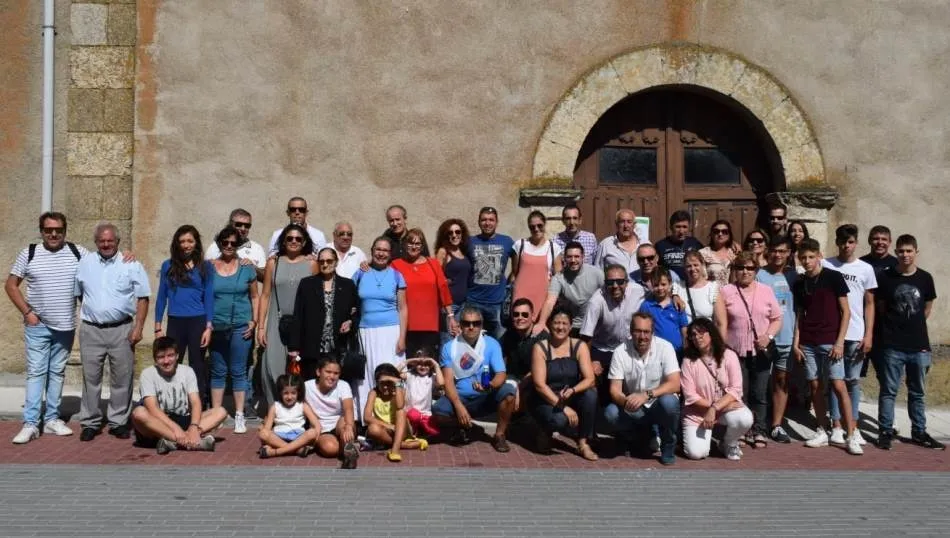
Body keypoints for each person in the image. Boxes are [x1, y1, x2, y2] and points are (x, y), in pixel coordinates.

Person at [74, 223, 150, 442]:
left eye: (110, 240)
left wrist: (138, 327)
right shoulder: (85, 263)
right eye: (101, 240)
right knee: (90, 378)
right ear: (96, 241)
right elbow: (79, 294)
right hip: (91, 330)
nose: (106, 244)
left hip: (121, 329)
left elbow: (143, 297)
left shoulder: (131, 264)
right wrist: (95, 312)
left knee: (122, 378)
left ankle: (118, 422)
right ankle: (90, 422)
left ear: (117, 241)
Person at [792, 238, 861, 455]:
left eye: (811, 257)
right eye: (803, 258)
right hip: (808, 342)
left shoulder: (833, 277)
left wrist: (840, 342)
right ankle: (822, 429)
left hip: (831, 341)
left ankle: (851, 435)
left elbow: (846, 311)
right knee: (814, 387)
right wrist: (796, 343)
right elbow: (799, 315)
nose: (807, 261)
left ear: (819, 255)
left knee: (839, 386)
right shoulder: (800, 283)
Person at [875, 235, 943, 450]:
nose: (905, 255)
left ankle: (919, 431)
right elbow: (881, 307)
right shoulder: (886, 278)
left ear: (916, 252)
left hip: (919, 345)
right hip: (893, 344)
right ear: (896, 252)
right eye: (901, 251)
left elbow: (927, 307)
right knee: (889, 390)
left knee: (917, 392)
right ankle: (885, 431)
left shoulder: (925, 278)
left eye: (909, 251)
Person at [714, 251, 782, 448]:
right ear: (735, 270)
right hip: (734, 352)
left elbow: (777, 318)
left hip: (760, 351)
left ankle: (759, 430)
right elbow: (719, 321)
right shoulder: (726, 291)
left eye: (750, 268)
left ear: (756, 270)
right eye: (741, 267)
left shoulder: (766, 290)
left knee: (759, 393)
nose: (745, 271)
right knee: (738, 393)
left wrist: (768, 337)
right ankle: (741, 430)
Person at [433, 306, 517, 452]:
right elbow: (448, 381)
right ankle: (469, 426)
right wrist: (458, 406)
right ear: (460, 325)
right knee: (438, 412)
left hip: (485, 397)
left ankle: (499, 435)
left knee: (509, 394)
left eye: (476, 323)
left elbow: (501, 374)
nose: (471, 327)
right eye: (466, 323)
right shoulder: (449, 347)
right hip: (460, 398)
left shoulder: (491, 344)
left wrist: (490, 385)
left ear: (481, 324)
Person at [822, 225, 876, 447]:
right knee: (836, 382)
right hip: (833, 334)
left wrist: (869, 333)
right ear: (837, 242)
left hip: (856, 334)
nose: (846, 246)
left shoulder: (865, 269)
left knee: (852, 382)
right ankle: (836, 425)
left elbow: (870, 303)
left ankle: (852, 425)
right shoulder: (827, 265)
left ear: (856, 243)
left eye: (851, 241)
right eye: (843, 242)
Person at [604, 312, 681, 465]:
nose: (642, 336)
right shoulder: (620, 351)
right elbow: (614, 390)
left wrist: (647, 395)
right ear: (631, 332)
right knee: (611, 413)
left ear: (652, 333)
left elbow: (675, 384)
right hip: (635, 408)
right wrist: (626, 401)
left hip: (658, 405)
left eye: (646, 332)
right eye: (638, 331)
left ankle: (668, 445)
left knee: (670, 403)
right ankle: (633, 437)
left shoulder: (665, 347)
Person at [130, 336, 227, 455]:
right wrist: (176, 429)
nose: (166, 361)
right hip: (158, 423)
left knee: (220, 412)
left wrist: (194, 426)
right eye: (161, 357)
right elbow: (152, 408)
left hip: (183, 419)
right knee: (138, 413)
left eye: (170, 355)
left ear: (177, 356)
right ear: (155, 359)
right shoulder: (147, 374)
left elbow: (195, 402)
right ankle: (190, 442)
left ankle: (172, 442)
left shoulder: (187, 371)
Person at [257, 224, 318, 407]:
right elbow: (265, 295)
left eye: (298, 239)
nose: (294, 242)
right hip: (277, 321)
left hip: (302, 323)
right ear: (283, 241)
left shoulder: (312, 264)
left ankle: (297, 410)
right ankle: (275, 409)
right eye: (289, 238)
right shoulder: (273, 263)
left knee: (298, 368)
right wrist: (261, 327)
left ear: (304, 242)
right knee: (271, 366)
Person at [154, 225, 214, 407]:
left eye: (190, 241)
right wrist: (157, 326)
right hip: (175, 321)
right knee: (172, 361)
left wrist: (209, 327)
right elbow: (161, 297)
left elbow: (209, 297)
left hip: (198, 321)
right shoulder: (168, 266)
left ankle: (199, 404)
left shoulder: (206, 267)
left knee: (197, 364)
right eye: (182, 241)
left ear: (196, 243)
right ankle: (170, 401)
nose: (186, 245)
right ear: (177, 244)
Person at [208, 225, 259, 434]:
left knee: (239, 371)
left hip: (241, 326)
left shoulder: (247, 268)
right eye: (225, 242)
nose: (229, 246)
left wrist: (254, 322)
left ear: (238, 245)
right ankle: (216, 414)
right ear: (219, 243)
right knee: (218, 371)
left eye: (233, 243)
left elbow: (255, 297)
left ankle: (239, 415)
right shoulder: (209, 268)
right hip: (216, 326)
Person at [350, 236, 408, 422]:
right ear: (372, 250)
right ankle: (366, 421)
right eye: (378, 249)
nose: (381, 253)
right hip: (365, 332)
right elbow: (349, 301)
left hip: (391, 332)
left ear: (390, 254)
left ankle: (393, 420)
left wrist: (402, 337)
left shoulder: (397, 276)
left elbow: (403, 308)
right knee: (366, 377)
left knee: (390, 375)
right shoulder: (360, 273)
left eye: (385, 250)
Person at [530, 309, 598, 461]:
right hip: (546, 398)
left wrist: (574, 390)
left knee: (591, 394)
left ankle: (583, 442)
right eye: (556, 323)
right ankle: (543, 431)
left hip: (570, 394)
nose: (560, 327)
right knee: (559, 420)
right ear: (549, 325)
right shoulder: (540, 347)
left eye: (564, 323)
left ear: (570, 326)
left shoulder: (579, 346)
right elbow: (539, 385)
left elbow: (590, 379)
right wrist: (563, 407)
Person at [680, 318, 753, 461]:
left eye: (701, 332)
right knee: (696, 454)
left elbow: (736, 389)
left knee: (745, 418)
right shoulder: (688, 361)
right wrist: (712, 408)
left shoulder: (729, 356)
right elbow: (690, 395)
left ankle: (728, 443)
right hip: (698, 413)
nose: (697, 337)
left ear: (711, 333)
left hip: (724, 408)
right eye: (693, 335)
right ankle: (705, 439)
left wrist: (715, 408)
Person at [287, 247, 359, 381]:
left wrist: (350, 322)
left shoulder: (348, 285)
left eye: (329, 261)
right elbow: (298, 315)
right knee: (311, 385)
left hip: (337, 348)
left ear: (336, 262)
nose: (325, 264)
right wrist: (294, 346)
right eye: (321, 261)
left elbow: (356, 312)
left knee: (335, 386)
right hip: (312, 347)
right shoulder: (307, 284)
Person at [755, 237, 799, 443]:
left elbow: (800, 309)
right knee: (760, 383)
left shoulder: (794, 276)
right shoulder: (760, 275)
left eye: (782, 251)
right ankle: (757, 425)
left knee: (781, 382)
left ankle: (776, 425)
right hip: (765, 339)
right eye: (774, 250)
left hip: (787, 337)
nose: (778, 255)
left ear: (789, 252)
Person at [580, 264, 645, 402]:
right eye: (610, 282)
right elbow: (586, 335)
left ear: (627, 282)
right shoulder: (596, 301)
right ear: (605, 283)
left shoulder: (638, 291)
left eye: (620, 281)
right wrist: (591, 361)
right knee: (601, 391)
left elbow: (658, 295)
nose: (615, 286)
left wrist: (675, 295)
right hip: (603, 348)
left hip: (628, 347)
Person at [392, 228, 457, 354]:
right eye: (410, 243)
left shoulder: (433, 264)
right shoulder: (396, 265)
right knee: (408, 363)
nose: (413, 247)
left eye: (417, 244)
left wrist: (451, 317)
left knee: (428, 363)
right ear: (405, 244)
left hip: (430, 324)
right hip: (405, 325)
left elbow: (443, 290)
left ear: (422, 246)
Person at [465, 206, 515, 339]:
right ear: (479, 222)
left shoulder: (507, 242)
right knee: (471, 340)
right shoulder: (469, 242)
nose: (487, 223)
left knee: (499, 341)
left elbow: (517, 268)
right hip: (473, 301)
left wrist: (508, 285)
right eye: (484, 220)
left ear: (497, 222)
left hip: (497, 302)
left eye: (491, 220)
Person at [364, 363, 429, 462]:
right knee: (372, 429)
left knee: (401, 412)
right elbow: (367, 417)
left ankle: (395, 450)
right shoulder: (373, 393)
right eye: (382, 383)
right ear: (377, 383)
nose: (385, 387)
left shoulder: (398, 390)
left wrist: (397, 382)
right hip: (386, 430)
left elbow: (400, 406)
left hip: (401, 430)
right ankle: (405, 445)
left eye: (389, 383)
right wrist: (388, 426)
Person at [535, 242, 603, 335]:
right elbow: (550, 301)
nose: (573, 260)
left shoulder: (596, 273)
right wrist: (541, 322)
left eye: (577, 256)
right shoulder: (559, 277)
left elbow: (608, 296)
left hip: (593, 324)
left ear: (583, 257)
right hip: (570, 326)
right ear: (564, 258)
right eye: (569, 257)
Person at [304, 357, 360, 468]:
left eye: (336, 373)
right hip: (321, 428)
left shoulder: (343, 385)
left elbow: (348, 408)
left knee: (346, 425)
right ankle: (349, 447)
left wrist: (349, 426)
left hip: (339, 423)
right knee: (330, 449)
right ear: (318, 372)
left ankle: (349, 456)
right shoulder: (306, 386)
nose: (332, 376)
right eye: (328, 372)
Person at [512, 211, 563, 324]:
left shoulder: (553, 248)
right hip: (520, 296)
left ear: (545, 225)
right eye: (532, 227)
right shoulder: (520, 245)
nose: (536, 229)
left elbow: (558, 277)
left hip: (543, 297)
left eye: (539, 225)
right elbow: (515, 272)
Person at [500, 298, 549, 409]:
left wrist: (520, 387)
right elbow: (499, 356)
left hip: (535, 380)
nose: (520, 318)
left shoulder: (542, 337)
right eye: (516, 314)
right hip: (513, 378)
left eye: (525, 315)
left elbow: (542, 369)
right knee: (507, 392)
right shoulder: (509, 334)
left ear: (532, 317)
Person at [257, 374, 320, 458]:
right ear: (280, 393)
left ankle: (275, 452)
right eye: (285, 393)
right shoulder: (275, 406)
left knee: (312, 432)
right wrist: (263, 430)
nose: (289, 397)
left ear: (298, 392)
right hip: (279, 437)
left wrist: (316, 436)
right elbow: (268, 428)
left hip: (299, 437)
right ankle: (296, 450)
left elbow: (316, 424)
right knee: (263, 433)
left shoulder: (302, 405)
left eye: (293, 393)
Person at [434, 218, 472, 341]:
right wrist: (445, 281)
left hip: (463, 304)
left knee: (459, 341)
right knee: (448, 341)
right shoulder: (443, 252)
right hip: (449, 306)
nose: (454, 235)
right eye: (450, 233)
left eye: (457, 232)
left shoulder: (463, 251)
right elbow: (436, 277)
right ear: (445, 236)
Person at [638, 268, 689, 357]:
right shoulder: (646, 306)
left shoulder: (677, 305)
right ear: (651, 285)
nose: (660, 288)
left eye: (663, 284)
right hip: (656, 354)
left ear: (670, 284)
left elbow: (684, 329)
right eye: (656, 285)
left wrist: (686, 351)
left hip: (678, 352)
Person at [204, 208, 267, 280]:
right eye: (239, 224)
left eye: (247, 226)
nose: (243, 228)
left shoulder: (257, 248)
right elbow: (205, 275)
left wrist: (253, 267)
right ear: (230, 224)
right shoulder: (215, 247)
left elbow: (266, 277)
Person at [400, 348, 444, 438]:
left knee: (435, 433)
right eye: (419, 364)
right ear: (415, 364)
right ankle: (415, 429)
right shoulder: (410, 375)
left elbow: (441, 383)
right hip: (410, 413)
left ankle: (421, 428)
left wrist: (435, 364)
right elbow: (394, 373)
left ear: (431, 365)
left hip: (425, 414)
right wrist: (408, 361)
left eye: (427, 364)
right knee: (413, 416)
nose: (423, 367)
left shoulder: (431, 377)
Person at [654, 210, 703, 280]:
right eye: (678, 227)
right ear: (671, 227)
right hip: (670, 287)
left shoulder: (695, 243)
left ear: (689, 228)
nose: (681, 231)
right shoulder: (660, 245)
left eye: (684, 227)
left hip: (691, 286)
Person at [594, 209, 643, 274]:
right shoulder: (606, 244)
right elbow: (598, 272)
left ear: (634, 224)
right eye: (622, 222)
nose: (626, 226)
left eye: (629, 222)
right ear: (616, 224)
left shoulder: (644, 243)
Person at [682, 250, 719, 323]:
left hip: (706, 333)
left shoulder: (712, 288)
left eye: (696, 265)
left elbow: (720, 323)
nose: (692, 269)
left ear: (702, 265)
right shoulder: (678, 287)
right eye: (689, 266)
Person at [699, 219, 736, 288]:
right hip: (711, 294)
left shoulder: (735, 253)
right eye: (716, 231)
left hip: (730, 294)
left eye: (724, 231)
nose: (720, 234)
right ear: (712, 234)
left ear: (729, 235)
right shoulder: (703, 253)